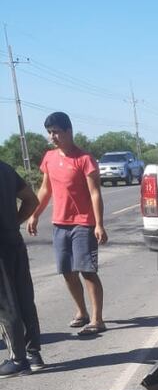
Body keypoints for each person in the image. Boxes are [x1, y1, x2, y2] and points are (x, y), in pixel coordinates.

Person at [27, 111, 108, 336]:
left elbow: (95, 193)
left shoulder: (84, 159)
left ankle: (97, 319)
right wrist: (34, 214)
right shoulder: (49, 158)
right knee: (66, 271)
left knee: (87, 271)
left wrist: (99, 224)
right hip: (59, 224)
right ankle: (81, 312)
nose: (52, 137)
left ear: (68, 131)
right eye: (49, 133)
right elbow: (45, 189)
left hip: (83, 224)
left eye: (56, 132)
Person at [0, 160, 44, 377]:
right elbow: (31, 200)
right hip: (13, 241)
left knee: (6, 305)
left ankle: (18, 359)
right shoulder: (5, 168)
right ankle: (33, 354)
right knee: (24, 298)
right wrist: (13, 222)